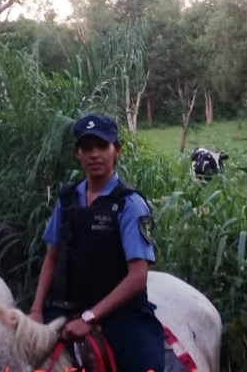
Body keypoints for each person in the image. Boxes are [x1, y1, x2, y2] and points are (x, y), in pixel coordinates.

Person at [29, 114, 165, 372]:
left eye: (102, 146)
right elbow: (52, 257)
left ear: (117, 150)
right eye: (87, 147)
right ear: (77, 153)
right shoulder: (67, 199)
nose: (95, 154)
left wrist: (90, 317)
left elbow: (138, 276)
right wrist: (36, 309)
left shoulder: (129, 204)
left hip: (121, 315)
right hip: (66, 309)